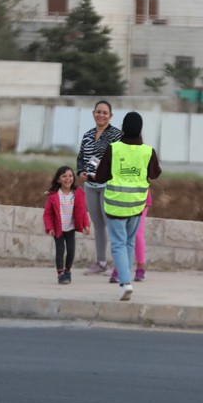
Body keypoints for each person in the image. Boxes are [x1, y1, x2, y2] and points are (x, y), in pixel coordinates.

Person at [94, 112, 161, 301]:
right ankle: (128, 279)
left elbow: (100, 177)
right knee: (130, 242)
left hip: (116, 204)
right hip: (137, 205)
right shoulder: (148, 151)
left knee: (118, 244)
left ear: (123, 127)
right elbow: (155, 173)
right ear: (140, 129)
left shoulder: (113, 149)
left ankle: (125, 283)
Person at [76, 99, 122, 275]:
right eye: (98, 112)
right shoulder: (87, 135)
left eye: (105, 112)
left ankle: (118, 265)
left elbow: (120, 160)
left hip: (108, 185)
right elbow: (81, 157)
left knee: (112, 224)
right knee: (98, 224)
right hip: (90, 185)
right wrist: (80, 171)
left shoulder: (117, 136)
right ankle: (101, 262)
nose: (101, 115)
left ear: (110, 116)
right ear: (93, 113)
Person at [43, 166, 90, 284]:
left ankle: (67, 271)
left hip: (71, 228)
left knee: (71, 250)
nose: (67, 179)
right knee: (60, 250)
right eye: (64, 176)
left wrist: (86, 225)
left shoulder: (78, 193)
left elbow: (83, 211)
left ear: (73, 178)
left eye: (70, 176)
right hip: (58, 228)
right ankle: (60, 274)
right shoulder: (53, 195)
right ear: (58, 180)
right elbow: (47, 214)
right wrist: (50, 227)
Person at [110, 189, 151, 283]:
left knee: (137, 234)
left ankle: (140, 268)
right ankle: (119, 269)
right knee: (121, 237)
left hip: (139, 199)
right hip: (120, 199)